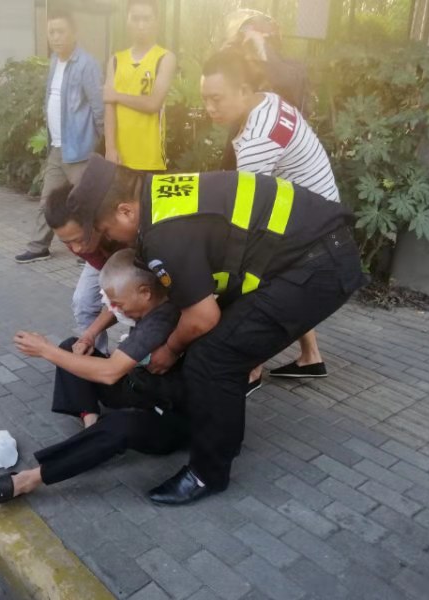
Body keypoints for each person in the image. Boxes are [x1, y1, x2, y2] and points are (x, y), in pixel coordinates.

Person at [76, 155, 367, 504]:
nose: (111, 239)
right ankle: (211, 424)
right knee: (218, 341)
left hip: (317, 266)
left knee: (214, 355)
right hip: (311, 251)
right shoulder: (159, 194)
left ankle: (207, 473)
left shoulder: (161, 233)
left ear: (125, 211)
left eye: (106, 230)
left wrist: (169, 349)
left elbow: (202, 317)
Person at [0, 249, 187, 507]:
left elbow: (110, 373)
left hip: (169, 418)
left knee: (119, 425)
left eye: (118, 303)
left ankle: (27, 480)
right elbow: (112, 348)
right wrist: (87, 337)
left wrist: (45, 350)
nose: (114, 309)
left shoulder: (162, 319)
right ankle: (91, 425)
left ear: (145, 292)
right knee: (71, 348)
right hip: (140, 386)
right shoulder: (150, 305)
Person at [202, 49, 339, 383]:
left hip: (312, 223)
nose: (209, 108)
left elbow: (246, 219)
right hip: (322, 209)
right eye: (204, 99)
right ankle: (311, 356)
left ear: (243, 90)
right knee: (281, 281)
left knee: (260, 282)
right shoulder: (268, 100)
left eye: (216, 99)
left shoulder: (256, 143)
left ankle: (251, 367)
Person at [14, 8, 104, 264]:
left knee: (85, 203)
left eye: (61, 31)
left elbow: (99, 108)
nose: (55, 37)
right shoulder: (54, 60)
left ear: (74, 33)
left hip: (81, 149)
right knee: (48, 201)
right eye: (51, 32)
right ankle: (38, 246)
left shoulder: (87, 64)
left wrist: (102, 146)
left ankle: (91, 248)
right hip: (57, 147)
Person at [44, 183, 126, 363]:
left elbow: (124, 296)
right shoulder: (83, 244)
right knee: (83, 302)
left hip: (126, 260)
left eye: (78, 239)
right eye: (67, 243)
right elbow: (114, 299)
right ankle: (96, 356)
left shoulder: (125, 235)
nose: (76, 249)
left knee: (135, 307)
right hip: (104, 260)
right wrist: (89, 335)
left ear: (95, 221)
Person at [103, 0, 176, 171]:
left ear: (156, 22)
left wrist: (117, 96)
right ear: (127, 20)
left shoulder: (165, 58)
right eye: (135, 19)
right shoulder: (115, 60)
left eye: (146, 19)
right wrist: (110, 148)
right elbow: (109, 107)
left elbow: (153, 104)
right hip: (119, 158)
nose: (141, 25)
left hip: (151, 158)